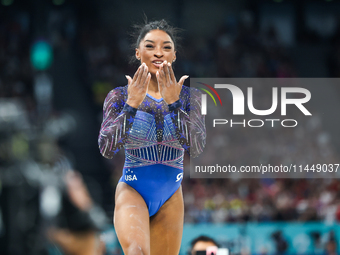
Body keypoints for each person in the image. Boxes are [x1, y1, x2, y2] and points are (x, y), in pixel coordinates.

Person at [98, 19, 206, 255]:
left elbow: (196, 147)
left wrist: (174, 103)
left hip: (171, 195)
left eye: (166, 47)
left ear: (174, 55)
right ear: (138, 52)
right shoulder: (118, 96)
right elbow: (106, 148)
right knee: (137, 252)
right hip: (133, 189)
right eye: (150, 46)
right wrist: (131, 105)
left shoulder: (190, 98)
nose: (159, 52)